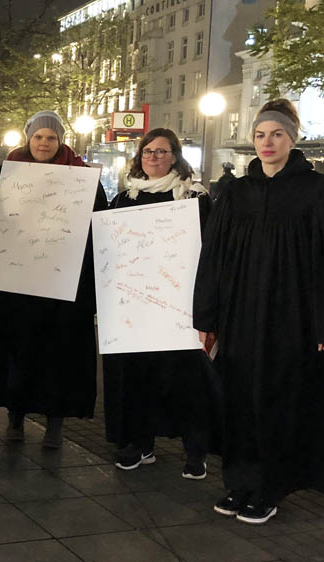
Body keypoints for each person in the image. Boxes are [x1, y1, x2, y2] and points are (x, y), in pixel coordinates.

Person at [194, 99, 324, 524]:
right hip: (240, 316)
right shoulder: (235, 192)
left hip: (293, 319)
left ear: (293, 138)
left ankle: (269, 486)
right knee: (239, 400)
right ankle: (239, 482)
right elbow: (213, 257)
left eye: (277, 134)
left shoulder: (318, 192)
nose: (267, 143)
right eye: (260, 135)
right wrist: (207, 317)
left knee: (279, 400)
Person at [0, 110, 107, 447]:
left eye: (50, 137)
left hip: (63, 290)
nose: (44, 143)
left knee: (58, 355)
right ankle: (15, 413)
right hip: (15, 287)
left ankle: (55, 422)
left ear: (60, 141)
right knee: (17, 349)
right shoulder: (6, 173)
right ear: (28, 139)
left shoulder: (82, 177)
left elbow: (98, 230)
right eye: (38, 137)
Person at [102, 128, 219, 479]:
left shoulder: (194, 199)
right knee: (137, 380)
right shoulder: (126, 198)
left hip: (181, 310)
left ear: (175, 156)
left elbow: (211, 255)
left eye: (161, 152)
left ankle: (195, 452)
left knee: (187, 383)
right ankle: (139, 444)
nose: (153, 157)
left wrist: (207, 309)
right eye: (148, 152)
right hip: (136, 311)